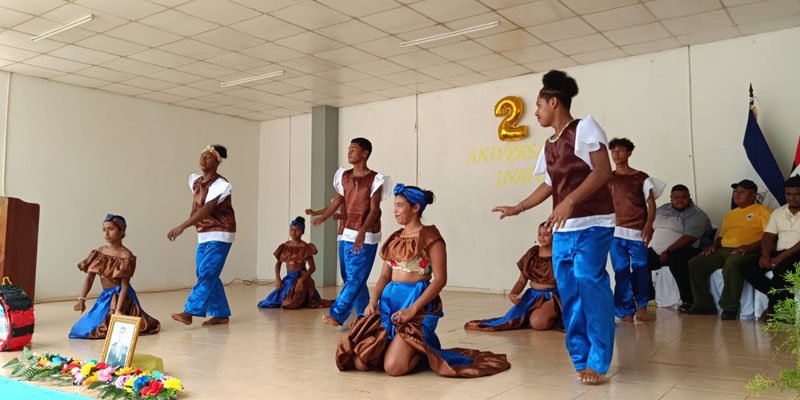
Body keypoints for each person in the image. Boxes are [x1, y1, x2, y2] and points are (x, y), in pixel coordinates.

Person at [492, 70, 615, 384]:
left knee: (589, 281)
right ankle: (580, 358)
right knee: (569, 292)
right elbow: (549, 185)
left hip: (594, 222)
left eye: (538, 105)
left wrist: (570, 200)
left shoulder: (585, 128)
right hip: (563, 228)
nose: (535, 112)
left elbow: (603, 172)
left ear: (554, 102)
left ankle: (599, 360)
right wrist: (518, 207)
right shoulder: (549, 145)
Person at [336, 184, 510, 377]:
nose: (395, 210)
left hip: (417, 302)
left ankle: (423, 352)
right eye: (394, 205)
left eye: (400, 205)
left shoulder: (430, 237)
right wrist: (373, 300)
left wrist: (413, 309)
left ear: (416, 207)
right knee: (360, 362)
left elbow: (440, 279)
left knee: (393, 368)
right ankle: (397, 347)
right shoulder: (395, 238)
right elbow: (385, 276)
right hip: (389, 302)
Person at [305, 138, 391, 326]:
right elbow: (336, 203)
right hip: (346, 233)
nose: (349, 152)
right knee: (350, 277)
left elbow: (374, 210)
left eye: (354, 149)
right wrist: (323, 217)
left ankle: (337, 314)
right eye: (349, 149)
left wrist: (362, 232)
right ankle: (365, 317)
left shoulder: (375, 179)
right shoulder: (344, 176)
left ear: (364, 154)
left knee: (354, 278)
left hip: (365, 235)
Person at [168, 145, 236, 326]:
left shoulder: (221, 184)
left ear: (217, 161)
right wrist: (191, 223)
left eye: (208, 156)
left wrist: (182, 226)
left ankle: (189, 311)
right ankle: (221, 314)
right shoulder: (196, 181)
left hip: (221, 232)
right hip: (204, 233)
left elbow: (207, 208)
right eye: (202, 155)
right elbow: (196, 206)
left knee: (207, 272)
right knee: (204, 273)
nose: (203, 158)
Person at [685, 179, 772, 320]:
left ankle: (730, 308)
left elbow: (769, 236)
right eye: (735, 191)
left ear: (753, 195)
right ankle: (704, 305)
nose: (737, 194)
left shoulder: (763, 211)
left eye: (742, 192)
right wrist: (713, 246)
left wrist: (749, 246)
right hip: (723, 250)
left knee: (732, 263)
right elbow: (721, 236)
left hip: (749, 250)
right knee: (695, 263)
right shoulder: (730, 214)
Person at [69, 214, 160, 339]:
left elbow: (124, 286)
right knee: (79, 330)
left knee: (106, 329)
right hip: (105, 296)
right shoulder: (99, 252)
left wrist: (118, 310)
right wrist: (81, 299)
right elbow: (89, 278)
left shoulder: (126, 256)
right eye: (104, 230)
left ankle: (121, 313)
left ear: (121, 231)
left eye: (111, 229)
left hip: (123, 297)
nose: (106, 233)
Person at [607, 138, 665, 322]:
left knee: (640, 268)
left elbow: (651, 204)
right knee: (621, 270)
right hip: (615, 233)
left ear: (629, 153)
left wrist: (648, 226)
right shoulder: (608, 178)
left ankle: (642, 306)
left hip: (637, 232)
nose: (616, 154)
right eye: (613, 151)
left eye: (620, 150)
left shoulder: (641, 177)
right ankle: (625, 310)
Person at [464, 223, 561, 331]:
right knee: (513, 319)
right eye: (539, 234)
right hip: (533, 296)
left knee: (537, 323)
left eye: (546, 235)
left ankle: (557, 316)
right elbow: (522, 280)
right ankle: (537, 313)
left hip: (552, 296)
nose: (542, 237)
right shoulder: (533, 253)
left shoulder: (559, 254)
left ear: (555, 236)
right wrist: (513, 293)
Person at [739, 177, 800, 320]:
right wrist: (765, 255)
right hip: (780, 251)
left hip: (796, 253)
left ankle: (775, 309)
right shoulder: (778, 212)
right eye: (788, 194)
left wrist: (779, 258)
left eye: (796, 194)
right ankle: (779, 296)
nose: (792, 198)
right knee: (746, 267)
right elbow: (768, 236)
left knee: (782, 268)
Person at [646, 185, 712, 310]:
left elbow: (689, 238)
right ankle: (648, 297)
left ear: (689, 197)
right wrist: (646, 243)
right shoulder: (661, 209)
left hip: (689, 249)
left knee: (676, 261)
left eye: (684, 197)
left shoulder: (696, 214)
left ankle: (688, 301)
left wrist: (668, 251)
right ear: (671, 198)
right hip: (658, 250)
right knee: (640, 260)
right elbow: (650, 228)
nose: (680, 200)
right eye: (676, 197)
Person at [257, 217, 332, 309]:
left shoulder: (305, 247)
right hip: (289, 278)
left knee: (290, 303)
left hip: (302, 278)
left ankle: (303, 297)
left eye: (297, 230)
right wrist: (278, 279)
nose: (293, 232)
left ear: (302, 231)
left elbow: (312, 267)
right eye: (291, 229)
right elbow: (278, 264)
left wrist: (301, 280)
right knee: (268, 302)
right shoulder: (285, 246)